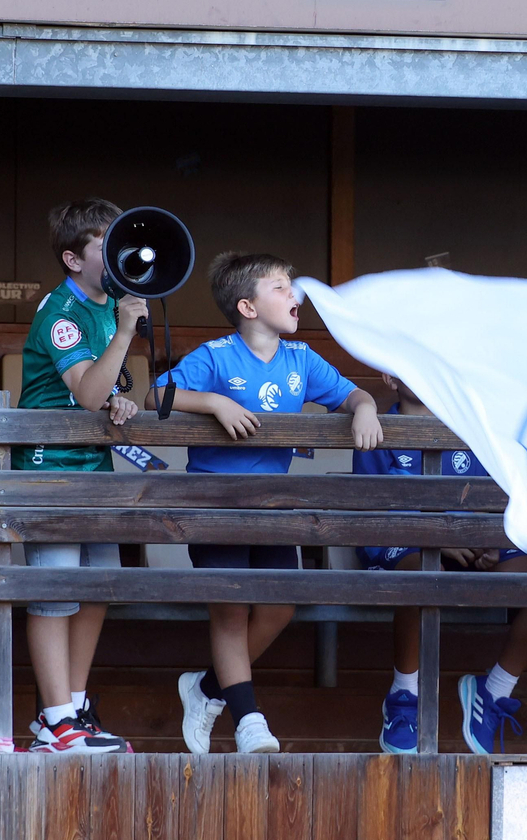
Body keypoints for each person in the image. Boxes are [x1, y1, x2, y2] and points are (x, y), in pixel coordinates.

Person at [158, 252, 385, 753]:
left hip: (274, 507)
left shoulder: (301, 358)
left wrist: (365, 408)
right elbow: (159, 394)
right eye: (281, 288)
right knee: (231, 613)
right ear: (248, 306)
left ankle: (207, 688)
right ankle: (249, 720)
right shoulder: (215, 355)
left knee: (280, 608)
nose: (295, 296)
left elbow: (352, 396)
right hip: (213, 506)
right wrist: (215, 401)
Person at [350, 374, 527, 755]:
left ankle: (493, 692)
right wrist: (438, 538)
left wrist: (489, 543)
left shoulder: (468, 429)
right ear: (389, 377)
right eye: (407, 363)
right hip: (405, 552)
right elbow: (371, 516)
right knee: (422, 574)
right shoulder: (377, 429)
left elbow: (491, 502)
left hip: (470, 550)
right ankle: (403, 699)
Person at [16, 198, 143, 753]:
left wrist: (124, 401)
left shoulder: (109, 303)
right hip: (51, 469)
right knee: (56, 593)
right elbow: (87, 393)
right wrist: (123, 336)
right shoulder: (60, 312)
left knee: (96, 589)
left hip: (94, 468)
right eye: (103, 244)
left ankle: (75, 706)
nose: (116, 253)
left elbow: (107, 390)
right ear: (73, 258)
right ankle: (54, 717)